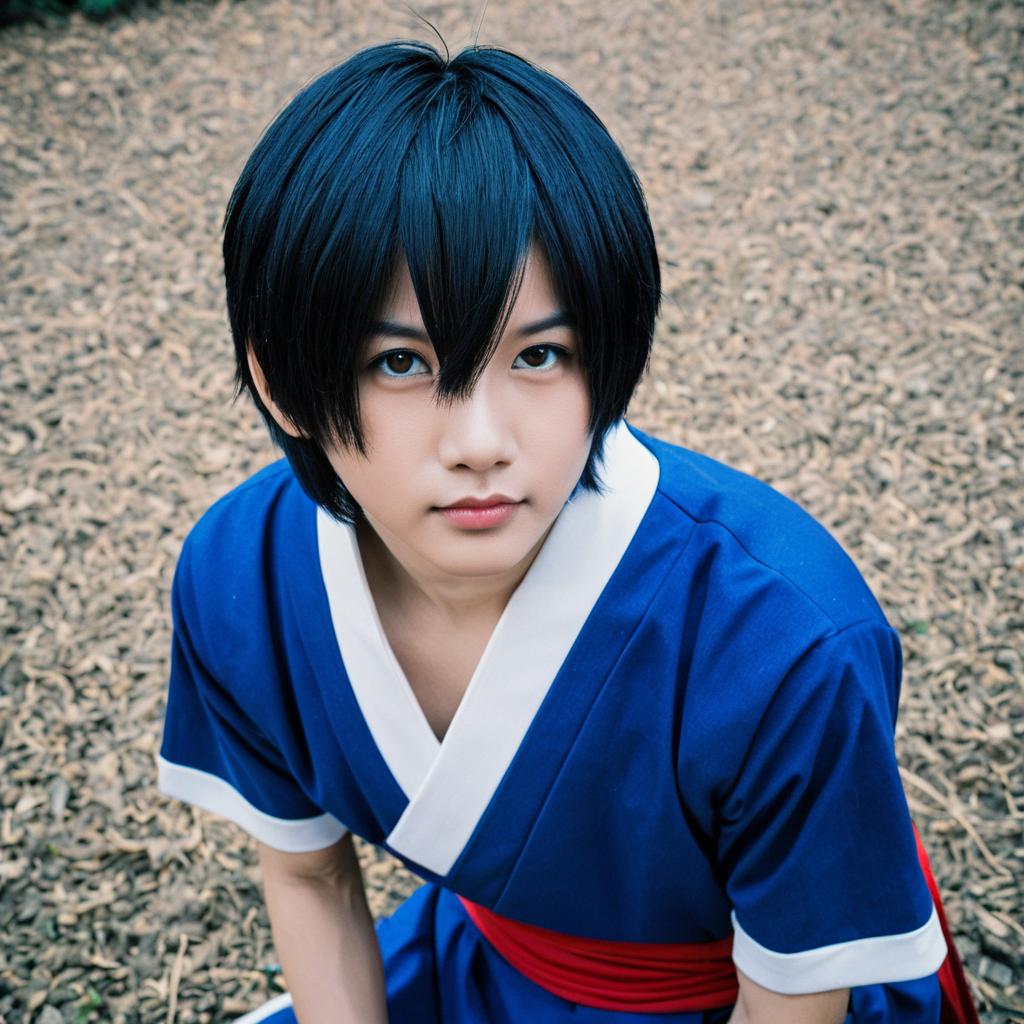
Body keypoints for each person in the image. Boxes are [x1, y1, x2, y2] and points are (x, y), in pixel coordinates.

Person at [156, 39, 979, 1024]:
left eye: (540, 353)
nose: (481, 442)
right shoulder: (241, 576)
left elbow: (790, 1003)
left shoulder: (779, 637)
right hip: (485, 969)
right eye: (402, 365)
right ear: (286, 381)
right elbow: (307, 879)